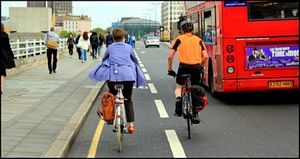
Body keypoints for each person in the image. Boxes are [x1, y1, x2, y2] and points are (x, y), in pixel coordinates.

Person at [88, 28, 146, 134]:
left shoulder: (110, 47)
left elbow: (105, 59)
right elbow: (135, 60)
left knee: (112, 97)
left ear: (113, 38)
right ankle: (131, 125)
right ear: (124, 38)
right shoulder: (129, 47)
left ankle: (110, 118)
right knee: (128, 99)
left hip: (113, 77)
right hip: (128, 76)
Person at [167, 20, 208, 123]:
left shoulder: (178, 39)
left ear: (182, 30)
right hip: (196, 68)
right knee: (194, 88)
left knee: (179, 87)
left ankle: (179, 99)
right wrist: (201, 66)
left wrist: (170, 69)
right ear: (192, 29)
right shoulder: (198, 40)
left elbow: (170, 57)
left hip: (184, 67)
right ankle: (195, 114)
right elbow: (206, 56)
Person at [0, 23, 16, 95]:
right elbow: (8, 47)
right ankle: (1, 87)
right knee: (2, 72)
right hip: (2, 55)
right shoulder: (5, 35)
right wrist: (12, 55)